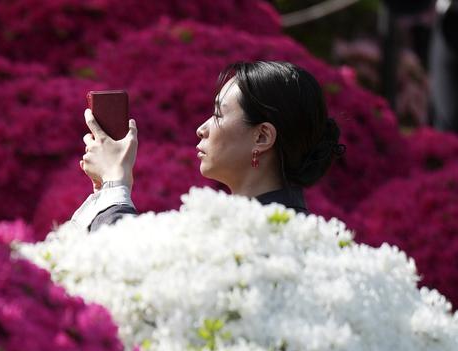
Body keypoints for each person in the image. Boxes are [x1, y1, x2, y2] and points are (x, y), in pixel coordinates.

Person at [71, 61, 346, 231]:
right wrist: (107, 189)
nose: (201, 129)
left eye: (218, 114)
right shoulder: (303, 230)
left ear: (262, 137)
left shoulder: (253, 234)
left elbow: (126, 257)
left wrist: (115, 182)